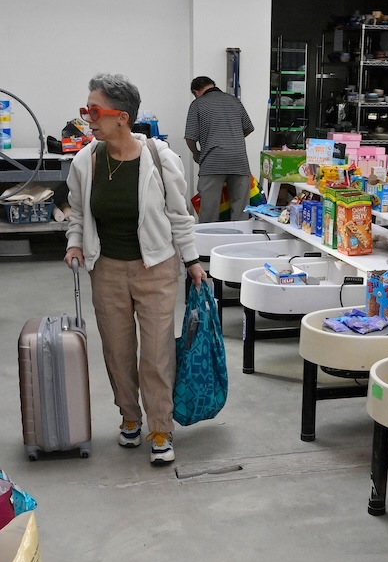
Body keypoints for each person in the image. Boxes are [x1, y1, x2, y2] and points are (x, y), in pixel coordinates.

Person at [64, 73, 207, 466]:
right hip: (105, 267)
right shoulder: (85, 160)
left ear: (121, 117)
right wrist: (75, 242)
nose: (87, 119)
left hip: (156, 268)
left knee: (157, 352)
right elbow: (77, 211)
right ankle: (130, 416)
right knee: (117, 349)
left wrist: (192, 261)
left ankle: (160, 426)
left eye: (94, 111)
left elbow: (181, 215)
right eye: (86, 109)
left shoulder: (160, 158)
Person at [184, 76, 255, 223]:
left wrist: (197, 155)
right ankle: (241, 241)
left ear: (197, 92)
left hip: (212, 161)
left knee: (209, 209)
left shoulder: (198, 104)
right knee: (241, 208)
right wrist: (232, 139)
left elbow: (190, 137)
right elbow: (248, 128)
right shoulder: (234, 101)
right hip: (239, 160)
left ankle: (209, 242)